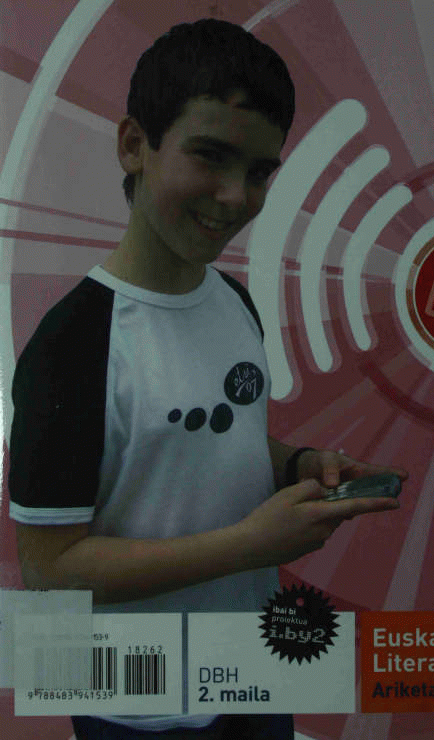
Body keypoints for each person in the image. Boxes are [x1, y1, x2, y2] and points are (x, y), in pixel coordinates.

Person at [8, 18, 405, 740]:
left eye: (258, 172)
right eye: (210, 156)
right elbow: (51, 572)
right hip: (133, 701)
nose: (233, 196)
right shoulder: (70, 347)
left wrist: (297, 463)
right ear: (135, 144)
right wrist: (253, 545)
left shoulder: (234, 301)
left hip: (248, 668)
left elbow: (210, 432)